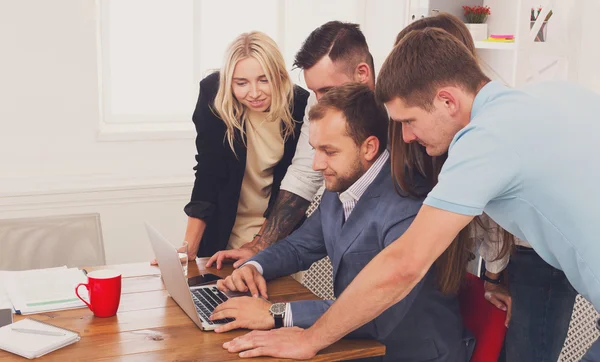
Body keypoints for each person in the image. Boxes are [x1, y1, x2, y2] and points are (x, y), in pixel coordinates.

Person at [219, 27, 600, 361]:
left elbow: (404, 264)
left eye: (409, 121)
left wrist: (308, 338)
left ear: (448, 100)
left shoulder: (483, 140)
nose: (405, 137)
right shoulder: (553, 95)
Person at [209, 83, 472, 362]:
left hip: (411, 353)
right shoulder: (342, 184)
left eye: (329, 151)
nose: (316, 164)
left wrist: (276, 314)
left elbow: (378, 309)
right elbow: (300, 246)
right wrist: (255, 266)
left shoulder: (408, 206)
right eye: (315, 150)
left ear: (369, 147)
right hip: (357, 344)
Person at [392, 14, 577, 362]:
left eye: (410, 122)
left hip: (534, 254)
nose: (407, 135)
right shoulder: (534, 102)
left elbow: (489, 213)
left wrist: (493, 273)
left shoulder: (488, 134)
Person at [206, 21, 375, 269]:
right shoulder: (318, 105)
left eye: (327, 89)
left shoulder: (399, 110)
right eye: (314, 91)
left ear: (362, 74)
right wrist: (260, 249)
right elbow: (304, 173)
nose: (319, 102)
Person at [166, 31, 309, 261]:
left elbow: (293, 185)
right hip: (224, 224)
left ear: (280, 76)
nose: (254, 93)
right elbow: (208, 172)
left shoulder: (300, 105)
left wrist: (259, 243)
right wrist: (188, 247)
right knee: (214, 294)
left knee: (269, 296)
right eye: (241, 83)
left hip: (275, 228)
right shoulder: (214, 95)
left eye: (264, 80)